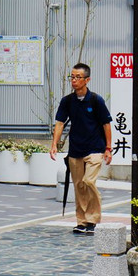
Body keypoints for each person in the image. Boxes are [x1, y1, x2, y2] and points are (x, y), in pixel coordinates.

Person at [50, 63, 112, 235]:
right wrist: (54, 144)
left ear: (87, 80)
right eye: (72, 77)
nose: (74, 80)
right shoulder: (67, 101)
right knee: (79, 186)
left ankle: (93, 219)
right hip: (75, 149)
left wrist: (108, 147)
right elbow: (60, 123)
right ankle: (82, 221)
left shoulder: (96, 100)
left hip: (95, 148)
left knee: (89, 182)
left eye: (78, 77)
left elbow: (106, 124)